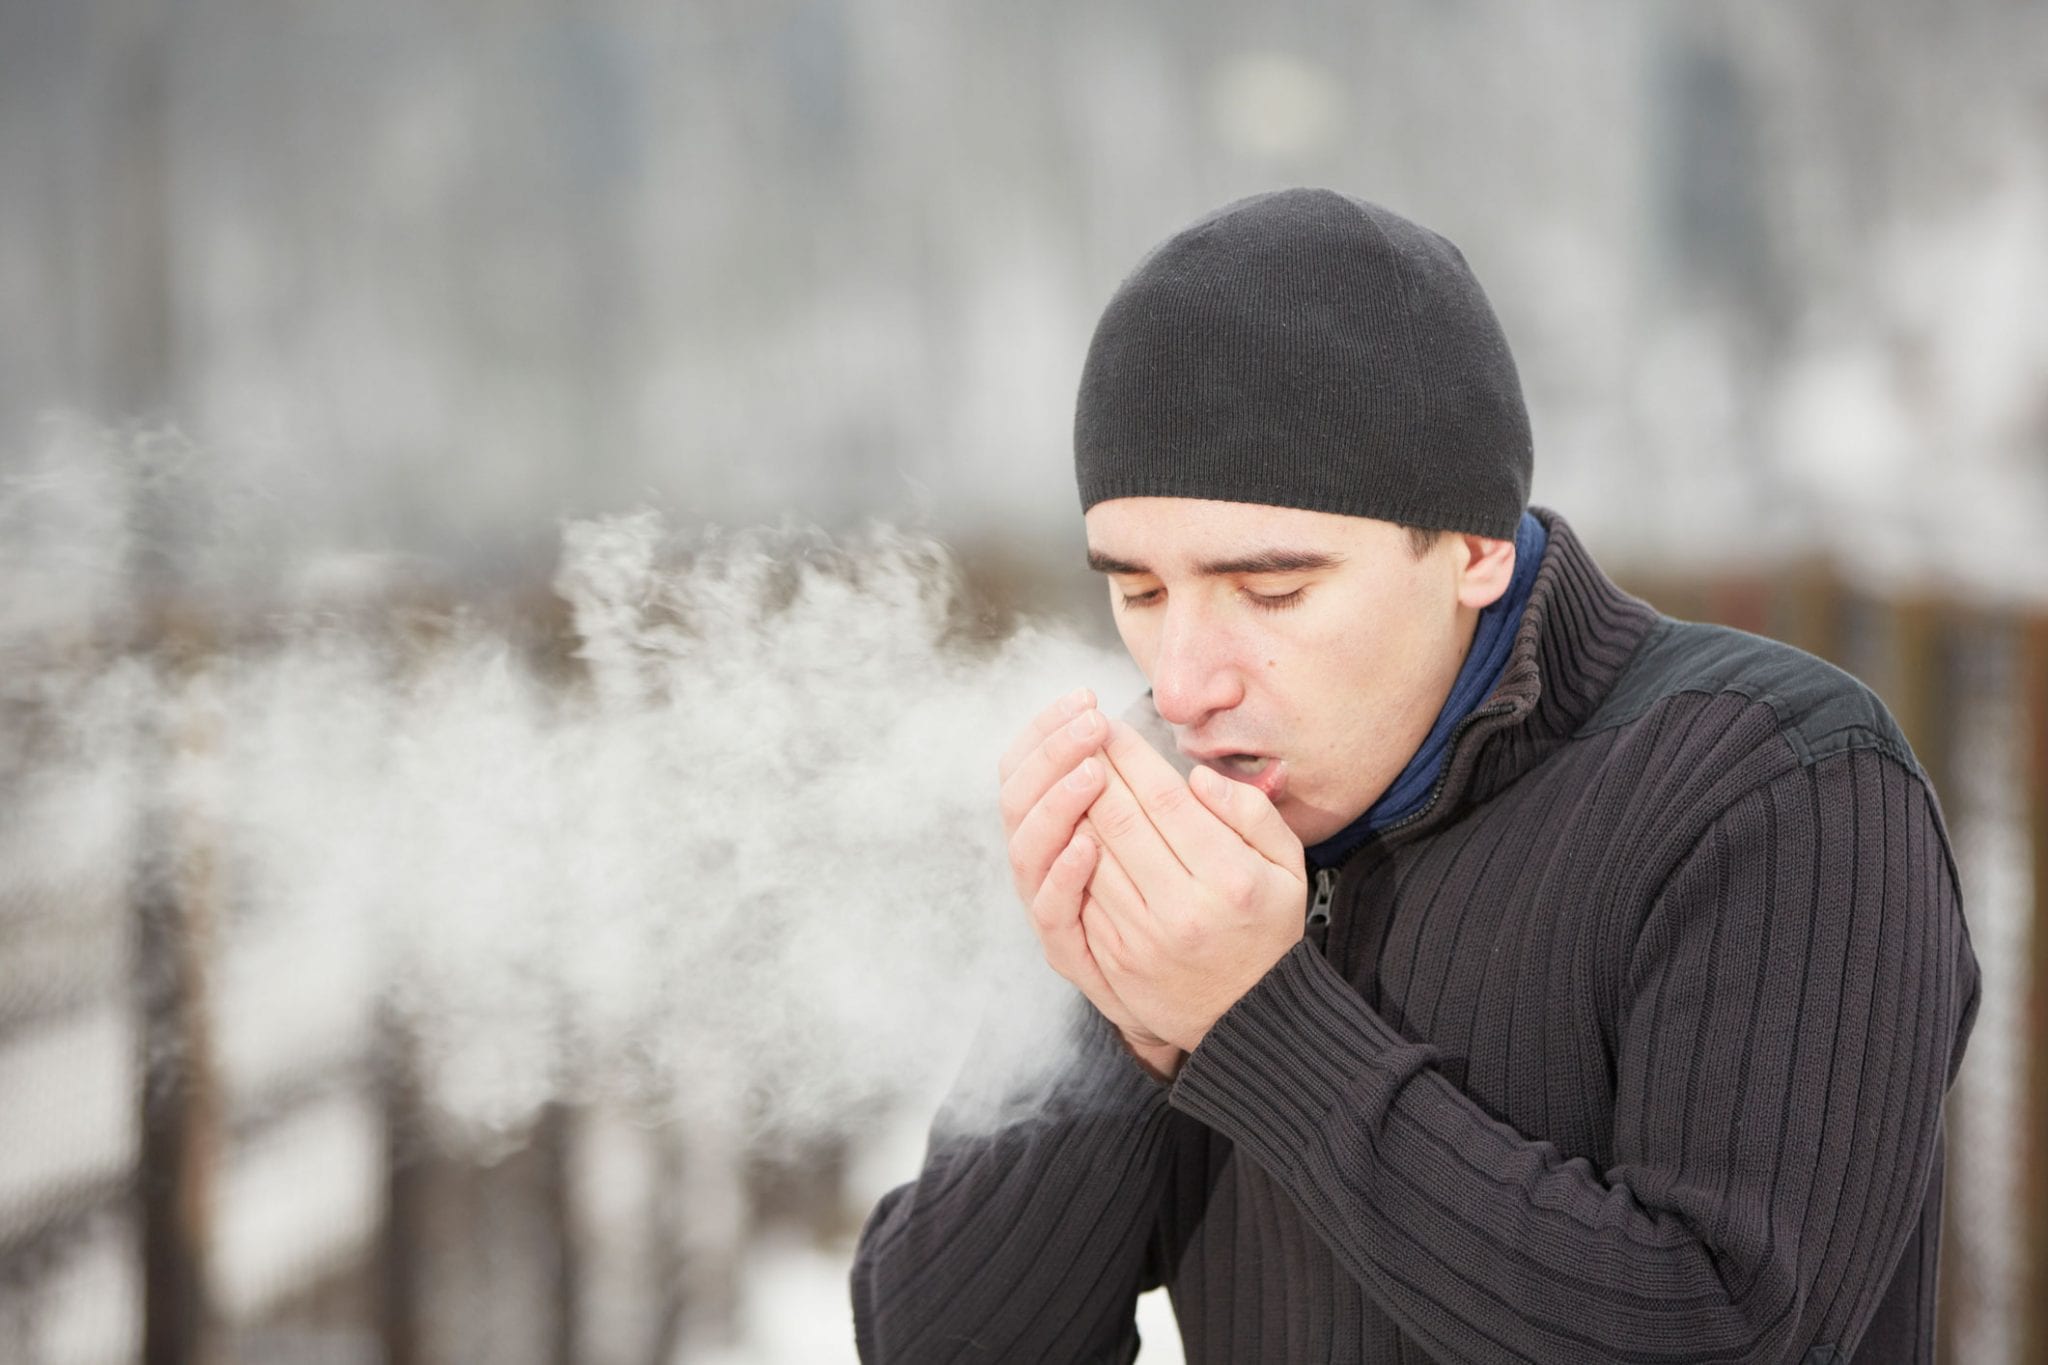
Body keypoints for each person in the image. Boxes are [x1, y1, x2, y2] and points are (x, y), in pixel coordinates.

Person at [850, 187, 1980, 1364]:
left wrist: (1251, 1021)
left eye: (1271, 590)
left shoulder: (1774, 787)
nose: (1182, 681)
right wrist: (1126, 1021)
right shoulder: (1169, 812)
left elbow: (1725, 1335)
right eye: (1137, 592)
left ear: (1474, 548)